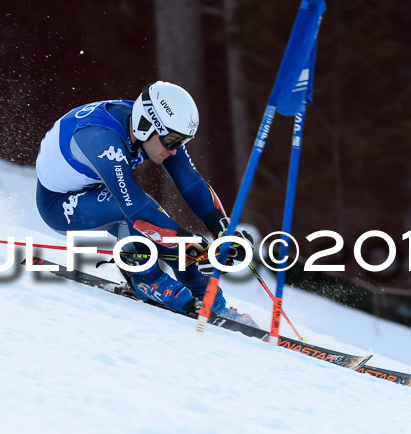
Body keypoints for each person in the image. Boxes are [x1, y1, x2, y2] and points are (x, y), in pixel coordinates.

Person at [35, 81, 253, 321]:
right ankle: (145, 279)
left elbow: (191, 182)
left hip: (96, 189)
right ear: (145, 126)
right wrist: (190, 243)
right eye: (172, 141)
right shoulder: (102, 139)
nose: (175, 150)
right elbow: (136, 209)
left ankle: (202, 291)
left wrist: (222, 228)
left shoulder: (153, 129)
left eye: (182, 142)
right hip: (58, 204)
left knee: (159, 224)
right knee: (139, 212)